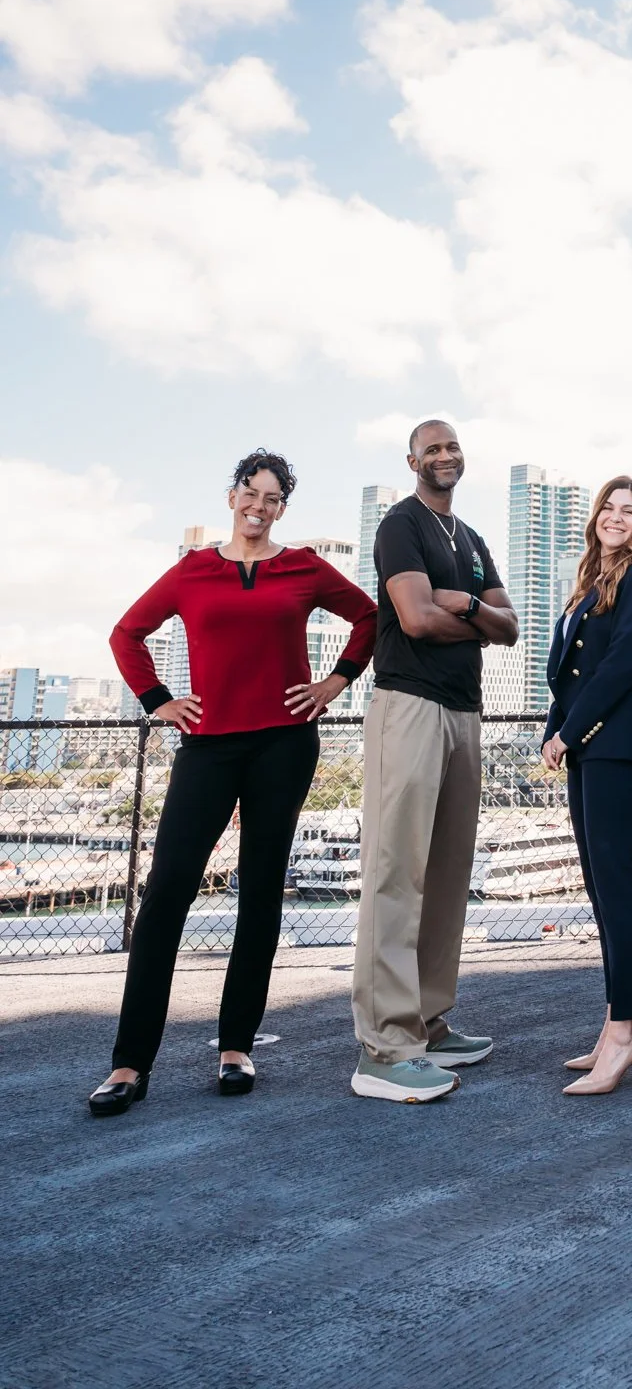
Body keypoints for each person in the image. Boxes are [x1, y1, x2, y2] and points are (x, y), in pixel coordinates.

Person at [91, 450, 376, 1115]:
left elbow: (368, 617)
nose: (260, 506)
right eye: (251, 492)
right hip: (207, 747)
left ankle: (236, 1047)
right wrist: (159, 698)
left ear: (283, 507)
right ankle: (130, 1063)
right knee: (166, 896)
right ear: (232, 496)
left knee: (260, 895)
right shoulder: (192, 571)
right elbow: (126, 634)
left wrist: (333, 684)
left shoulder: (302, 566)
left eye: (273, 498)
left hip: (284, 744)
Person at [351, 419, 518, 1104]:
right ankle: (385, 1047)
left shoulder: (471, 540)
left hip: (463, 711)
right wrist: (467, 618)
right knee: (396, 871)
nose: (444, 456)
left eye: (453, 446)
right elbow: (415, 620)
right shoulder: (402, 525)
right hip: (409, 704)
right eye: (433, 447)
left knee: (447, 872)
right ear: (413, 458)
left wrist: (468, 602)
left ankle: (427, 1017)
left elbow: (508, 627)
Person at [540, 477, 632, 1097]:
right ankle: (618, 1023)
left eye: (628, 510)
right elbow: (564, 673)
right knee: (600, 891)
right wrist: (552, 730)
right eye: (608, 508)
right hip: (586, 747)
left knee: (619, 891)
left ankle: (628, 1034)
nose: (615, 518)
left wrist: (568, 732)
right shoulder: (590, 582)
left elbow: (620, 665)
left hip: (616, 746)